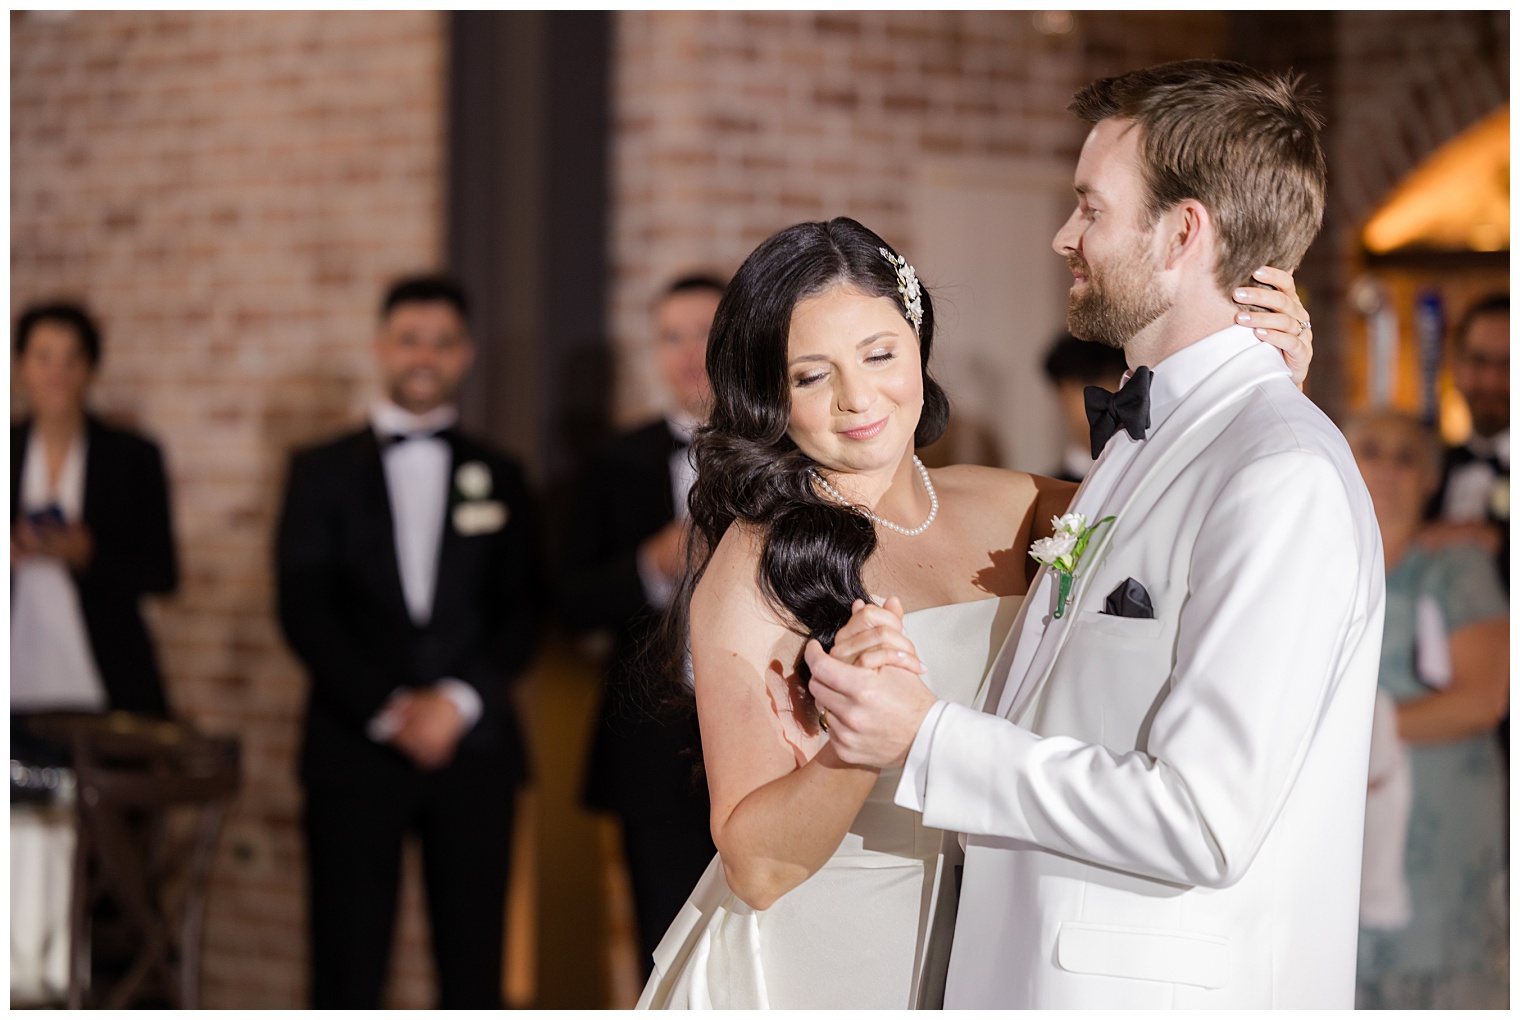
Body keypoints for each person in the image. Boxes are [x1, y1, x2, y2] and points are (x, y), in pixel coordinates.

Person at [807, 60, 1383, 1009]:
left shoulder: (1279, 474)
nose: (1062, 235)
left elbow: (1204, 818)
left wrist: (932, 739)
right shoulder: (1149, 443)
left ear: (1183, 233)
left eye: (1091, 207)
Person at [637, 214, 1312, 1008]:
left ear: (917, 344)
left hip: (1006, 937)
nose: (858, 398)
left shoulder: (1011, 505)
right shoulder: (755, 562)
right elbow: (756, 867)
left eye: (879, 355)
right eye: (811, 376)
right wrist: (854, 746)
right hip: (827, 957)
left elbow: (1194, 522)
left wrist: (1259, 390)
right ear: (769, 393)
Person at [275, 275, 541, 1008]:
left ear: (467, 354)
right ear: (381, 347)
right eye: (409, 338)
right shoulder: (318, 471)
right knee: (346, 970)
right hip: (353, 747)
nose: (424, 355)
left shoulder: (504, 474)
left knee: (475, 970)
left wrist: (455, 704)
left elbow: (523, 609)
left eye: (442, 341)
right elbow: (303, 608)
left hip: (474, 751)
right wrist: (391, 707)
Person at [559, 273, 724, 976]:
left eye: (707, 333)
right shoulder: (609, 462)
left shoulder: (790, 452)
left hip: (775, 727)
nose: (690, 352)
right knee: (663, 942)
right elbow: (569, 601)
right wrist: (652, 565)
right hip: (652, 743)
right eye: (671, 336)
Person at [1347, 409, 1508, 1009]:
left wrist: (1353, 732)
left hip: (1442, 835)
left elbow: (1483, 698)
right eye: (1371, 449)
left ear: (1431, 479)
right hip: (1346, 829)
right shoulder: (1323, 567)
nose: (1387, 466)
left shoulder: (1454, 566)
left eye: (1406, 456)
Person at [11, 301, 177, 721]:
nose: (57, 373)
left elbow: (163, 573)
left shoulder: (132, 458)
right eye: (43, 357)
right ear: (21, 366)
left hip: (103, 680)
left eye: (71, 359)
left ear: (90, 368)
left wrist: (89, 555)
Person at [1041, 332, 1128, 481]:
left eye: (1114, 381)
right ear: (1061, 391)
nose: (1104, 403)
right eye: (1086, 386)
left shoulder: (1151, 472)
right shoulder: (1044, 491)